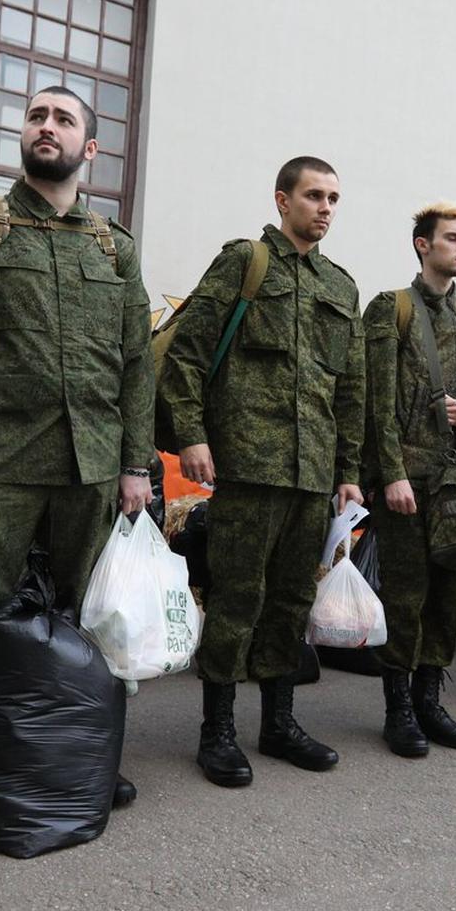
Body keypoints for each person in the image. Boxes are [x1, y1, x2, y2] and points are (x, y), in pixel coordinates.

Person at [0, 87, 155, 836]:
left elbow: (136, 363)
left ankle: (79, 754)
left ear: (90, 150)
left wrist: (136, 465)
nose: (45, 127)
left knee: (87, 618)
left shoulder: (113, 245)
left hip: (91, 464)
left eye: (63, 120)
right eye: (36, 116)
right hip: (0, 459)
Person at [159, 156, 365, 787]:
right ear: (282, 200)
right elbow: (188, 353)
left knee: (290, 600)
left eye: (333, 197)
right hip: (247, 467)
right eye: (312, 195)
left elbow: (350, 388)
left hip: (311, 476)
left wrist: (348, 469)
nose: (324, 207)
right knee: (235, 596)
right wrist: (191, 436)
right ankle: (216, 730)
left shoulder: (341, 286)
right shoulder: (244, 263)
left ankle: (278, 722)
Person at [363, 202, 456, 758]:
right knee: (406, 596)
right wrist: (388, 474)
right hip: (407, 483)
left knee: (449, 598)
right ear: (424, 245)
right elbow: (375, 402)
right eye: (452, 238)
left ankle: (430, 701)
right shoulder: (390, 309)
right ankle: (397, 710)